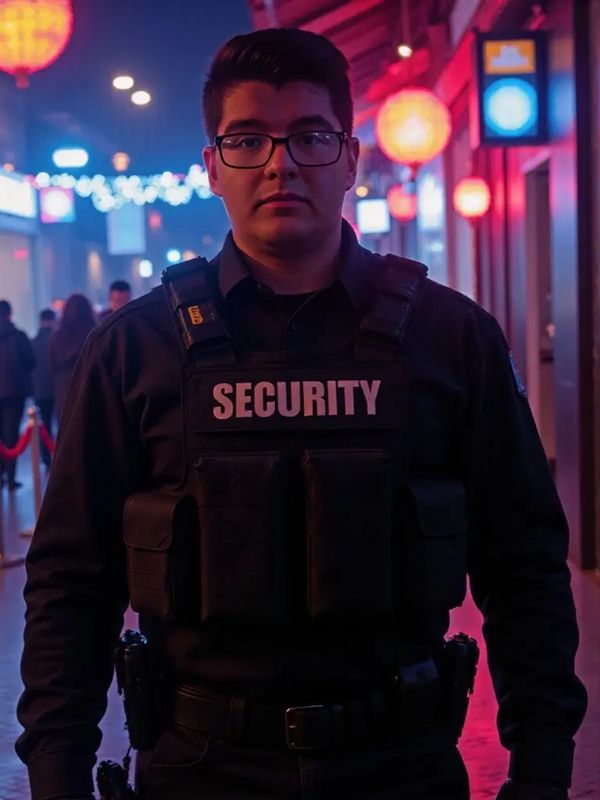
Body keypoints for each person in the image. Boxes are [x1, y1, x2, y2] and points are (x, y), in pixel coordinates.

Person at [16, 28, 586, 800]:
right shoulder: (134, 348)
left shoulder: (452, 337)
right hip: (199, 772)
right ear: (213, 166)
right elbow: (70, 579)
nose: (279, 163)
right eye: (248, 139)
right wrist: (57, 773)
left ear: (351, 159)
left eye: (311, 136)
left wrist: (542, 767)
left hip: (401, 768)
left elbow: (523, 563)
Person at [0, 299, 35, 490]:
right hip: (14, 391)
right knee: (11, 434)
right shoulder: (19, 336)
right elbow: (31, 361)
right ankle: (11, 477)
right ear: (9, 314)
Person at [49, 293, 96, 422]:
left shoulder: (57, 336)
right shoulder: (95, 334)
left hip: (64, 392)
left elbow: (52, 366)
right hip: (92, 390)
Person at [31, 308, 57, 469]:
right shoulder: (57, 340)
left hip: (39, 390)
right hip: (57, 388)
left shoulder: (33, 341)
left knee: (44, 425)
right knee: (62, 423)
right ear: (52, 320)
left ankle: (46, 459)